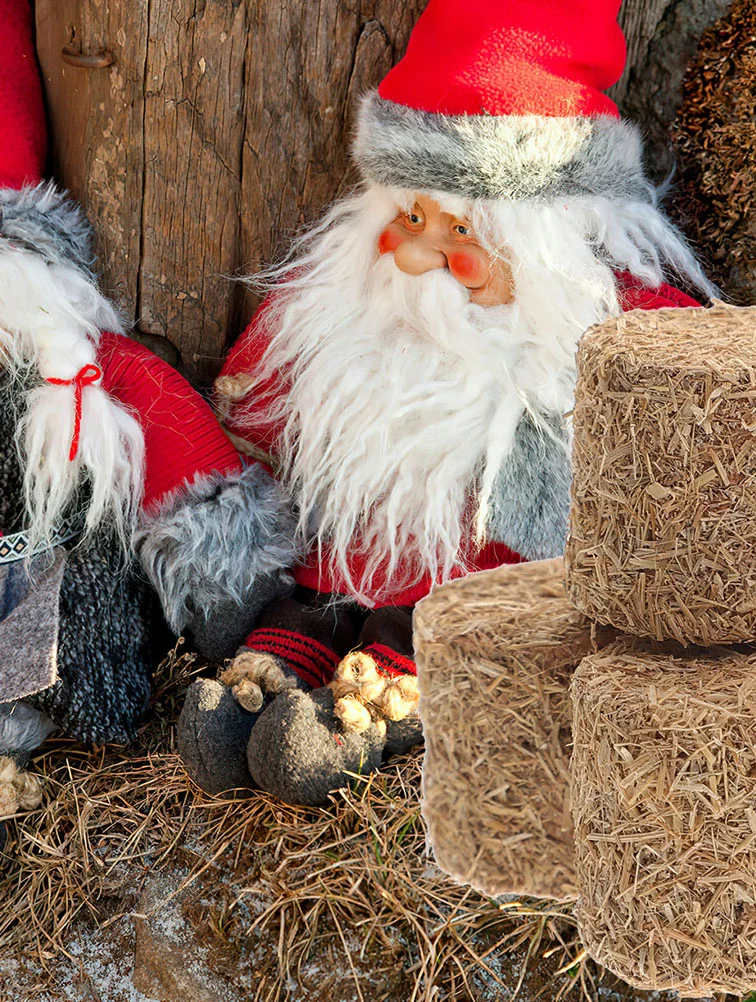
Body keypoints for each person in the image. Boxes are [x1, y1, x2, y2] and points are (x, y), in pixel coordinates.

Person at [178, 0, 717, 805]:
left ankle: (382, 693)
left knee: (439, 624)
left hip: (481, 588)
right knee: (311, 599)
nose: (412, 252)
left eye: (453, 230)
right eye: (406, 217)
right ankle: (289, 654)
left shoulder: (608, 334)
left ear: (543, 243)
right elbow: (254, 401)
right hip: (339, 555)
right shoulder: (339, 311)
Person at [0, 0, 295, 818]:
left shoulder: (84, 375)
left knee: (69, 635)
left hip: (63, 610)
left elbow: (178, 440)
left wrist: (229, 596)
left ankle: (54, 709)